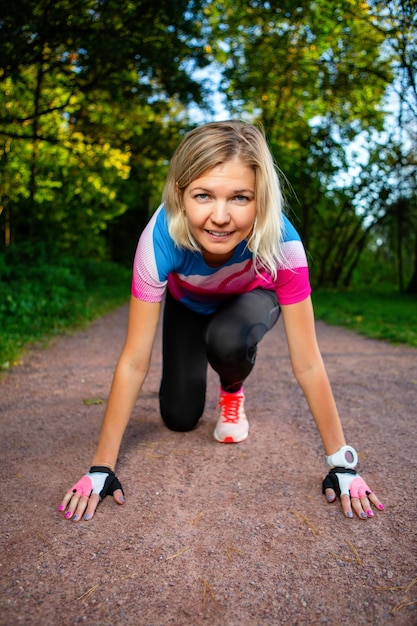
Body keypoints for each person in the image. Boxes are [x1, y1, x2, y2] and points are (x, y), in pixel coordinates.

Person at [59, 120, 384, 522]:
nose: (220, 216)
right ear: (180, 194)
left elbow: (308, 361)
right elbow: (133, 360)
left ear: (261, 198)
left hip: (249, 301)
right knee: (179, 418)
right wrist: (101, 468)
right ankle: (199, 388)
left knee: (228, 338)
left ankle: (232, 390)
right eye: (203, 195)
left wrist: (342, 464)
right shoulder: (157, 240)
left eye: (240, 198)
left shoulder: (284, 244)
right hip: (188, 306)